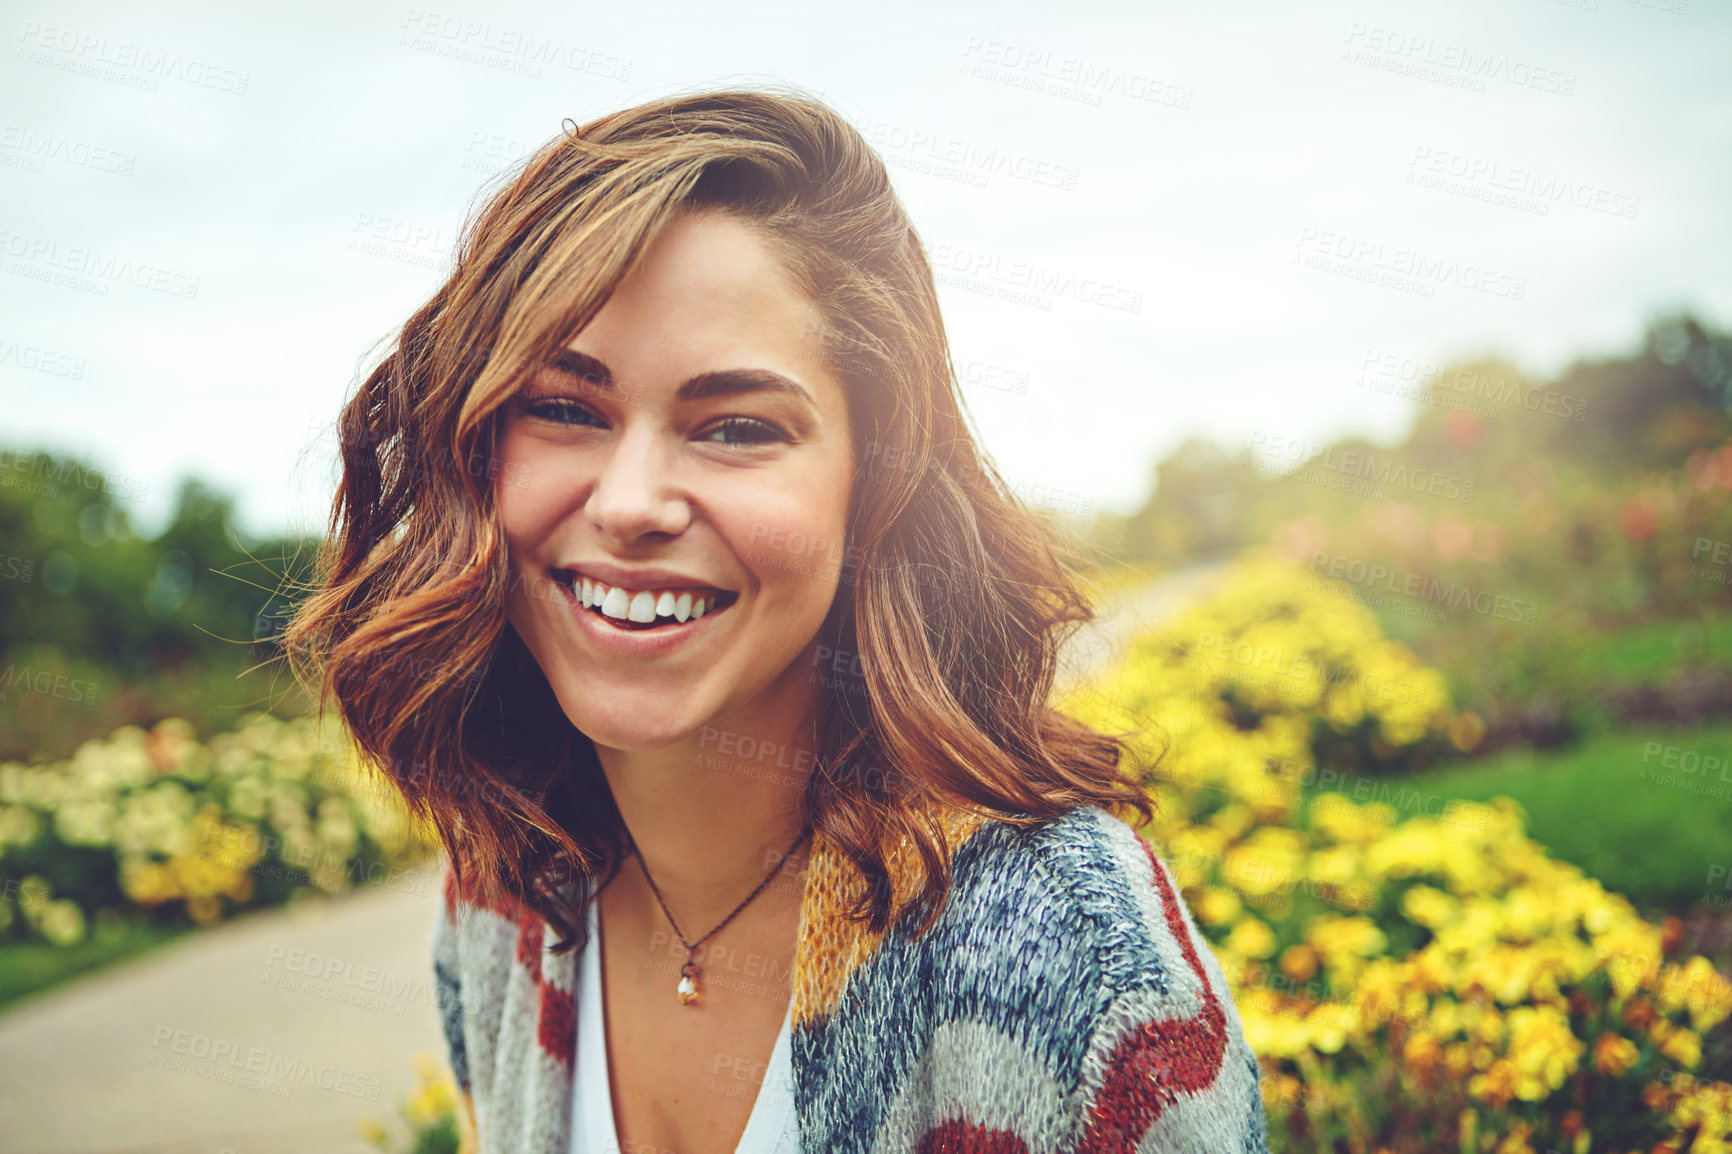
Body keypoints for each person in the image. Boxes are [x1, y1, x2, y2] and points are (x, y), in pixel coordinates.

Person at [281, 84, 1271, 1154]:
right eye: (566, 408)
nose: (629, 502)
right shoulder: (507, 887)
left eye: (738, 426)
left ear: (875, 482)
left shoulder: (1068, 957)